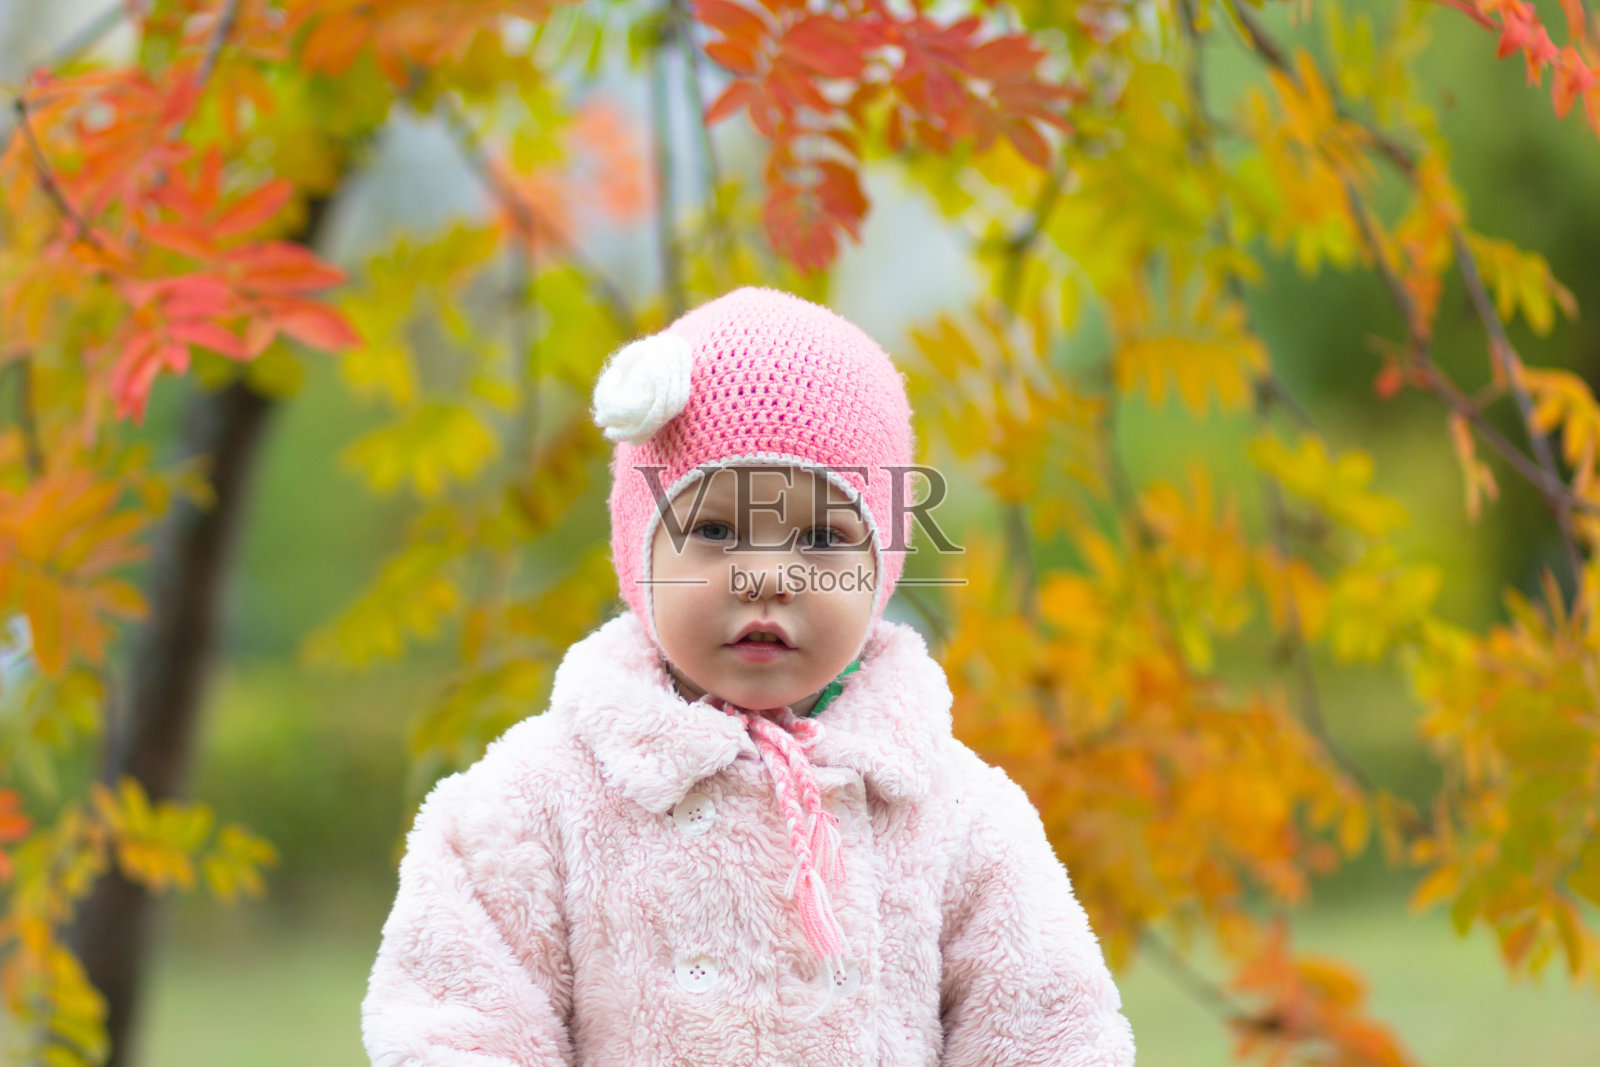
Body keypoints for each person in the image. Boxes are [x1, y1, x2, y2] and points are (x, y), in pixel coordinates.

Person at [361, 286, 1137, 1065]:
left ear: (880, 570)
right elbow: (453, 1027)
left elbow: (1052, 1034)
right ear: (641, 557)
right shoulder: (534, 802)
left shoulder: (958, 816)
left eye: (823, 536)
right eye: (716, 529)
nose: (767, 575)